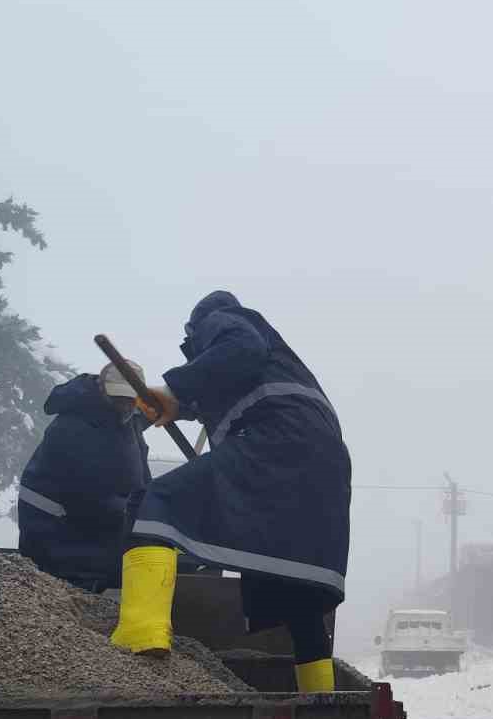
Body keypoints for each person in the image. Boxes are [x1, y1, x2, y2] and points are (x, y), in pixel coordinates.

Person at [110, 290, 352, 693]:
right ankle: (320, 699)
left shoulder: (225, 321)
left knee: (157, 504)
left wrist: (172, 389)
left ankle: (140, 634)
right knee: (297, 590)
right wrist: (178, 404)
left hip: (276, 440)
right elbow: (233, 377)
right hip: (322, 466)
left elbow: (240, 350)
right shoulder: (278, 367)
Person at [17, 364, 152, 592]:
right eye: (119, 398)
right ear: (102, 390)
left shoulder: (123, 416)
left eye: (130, 399)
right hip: (58, 532)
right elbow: (90, 497)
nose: (125, 404)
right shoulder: (74, 427)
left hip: (92, 524)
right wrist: (139, 519)